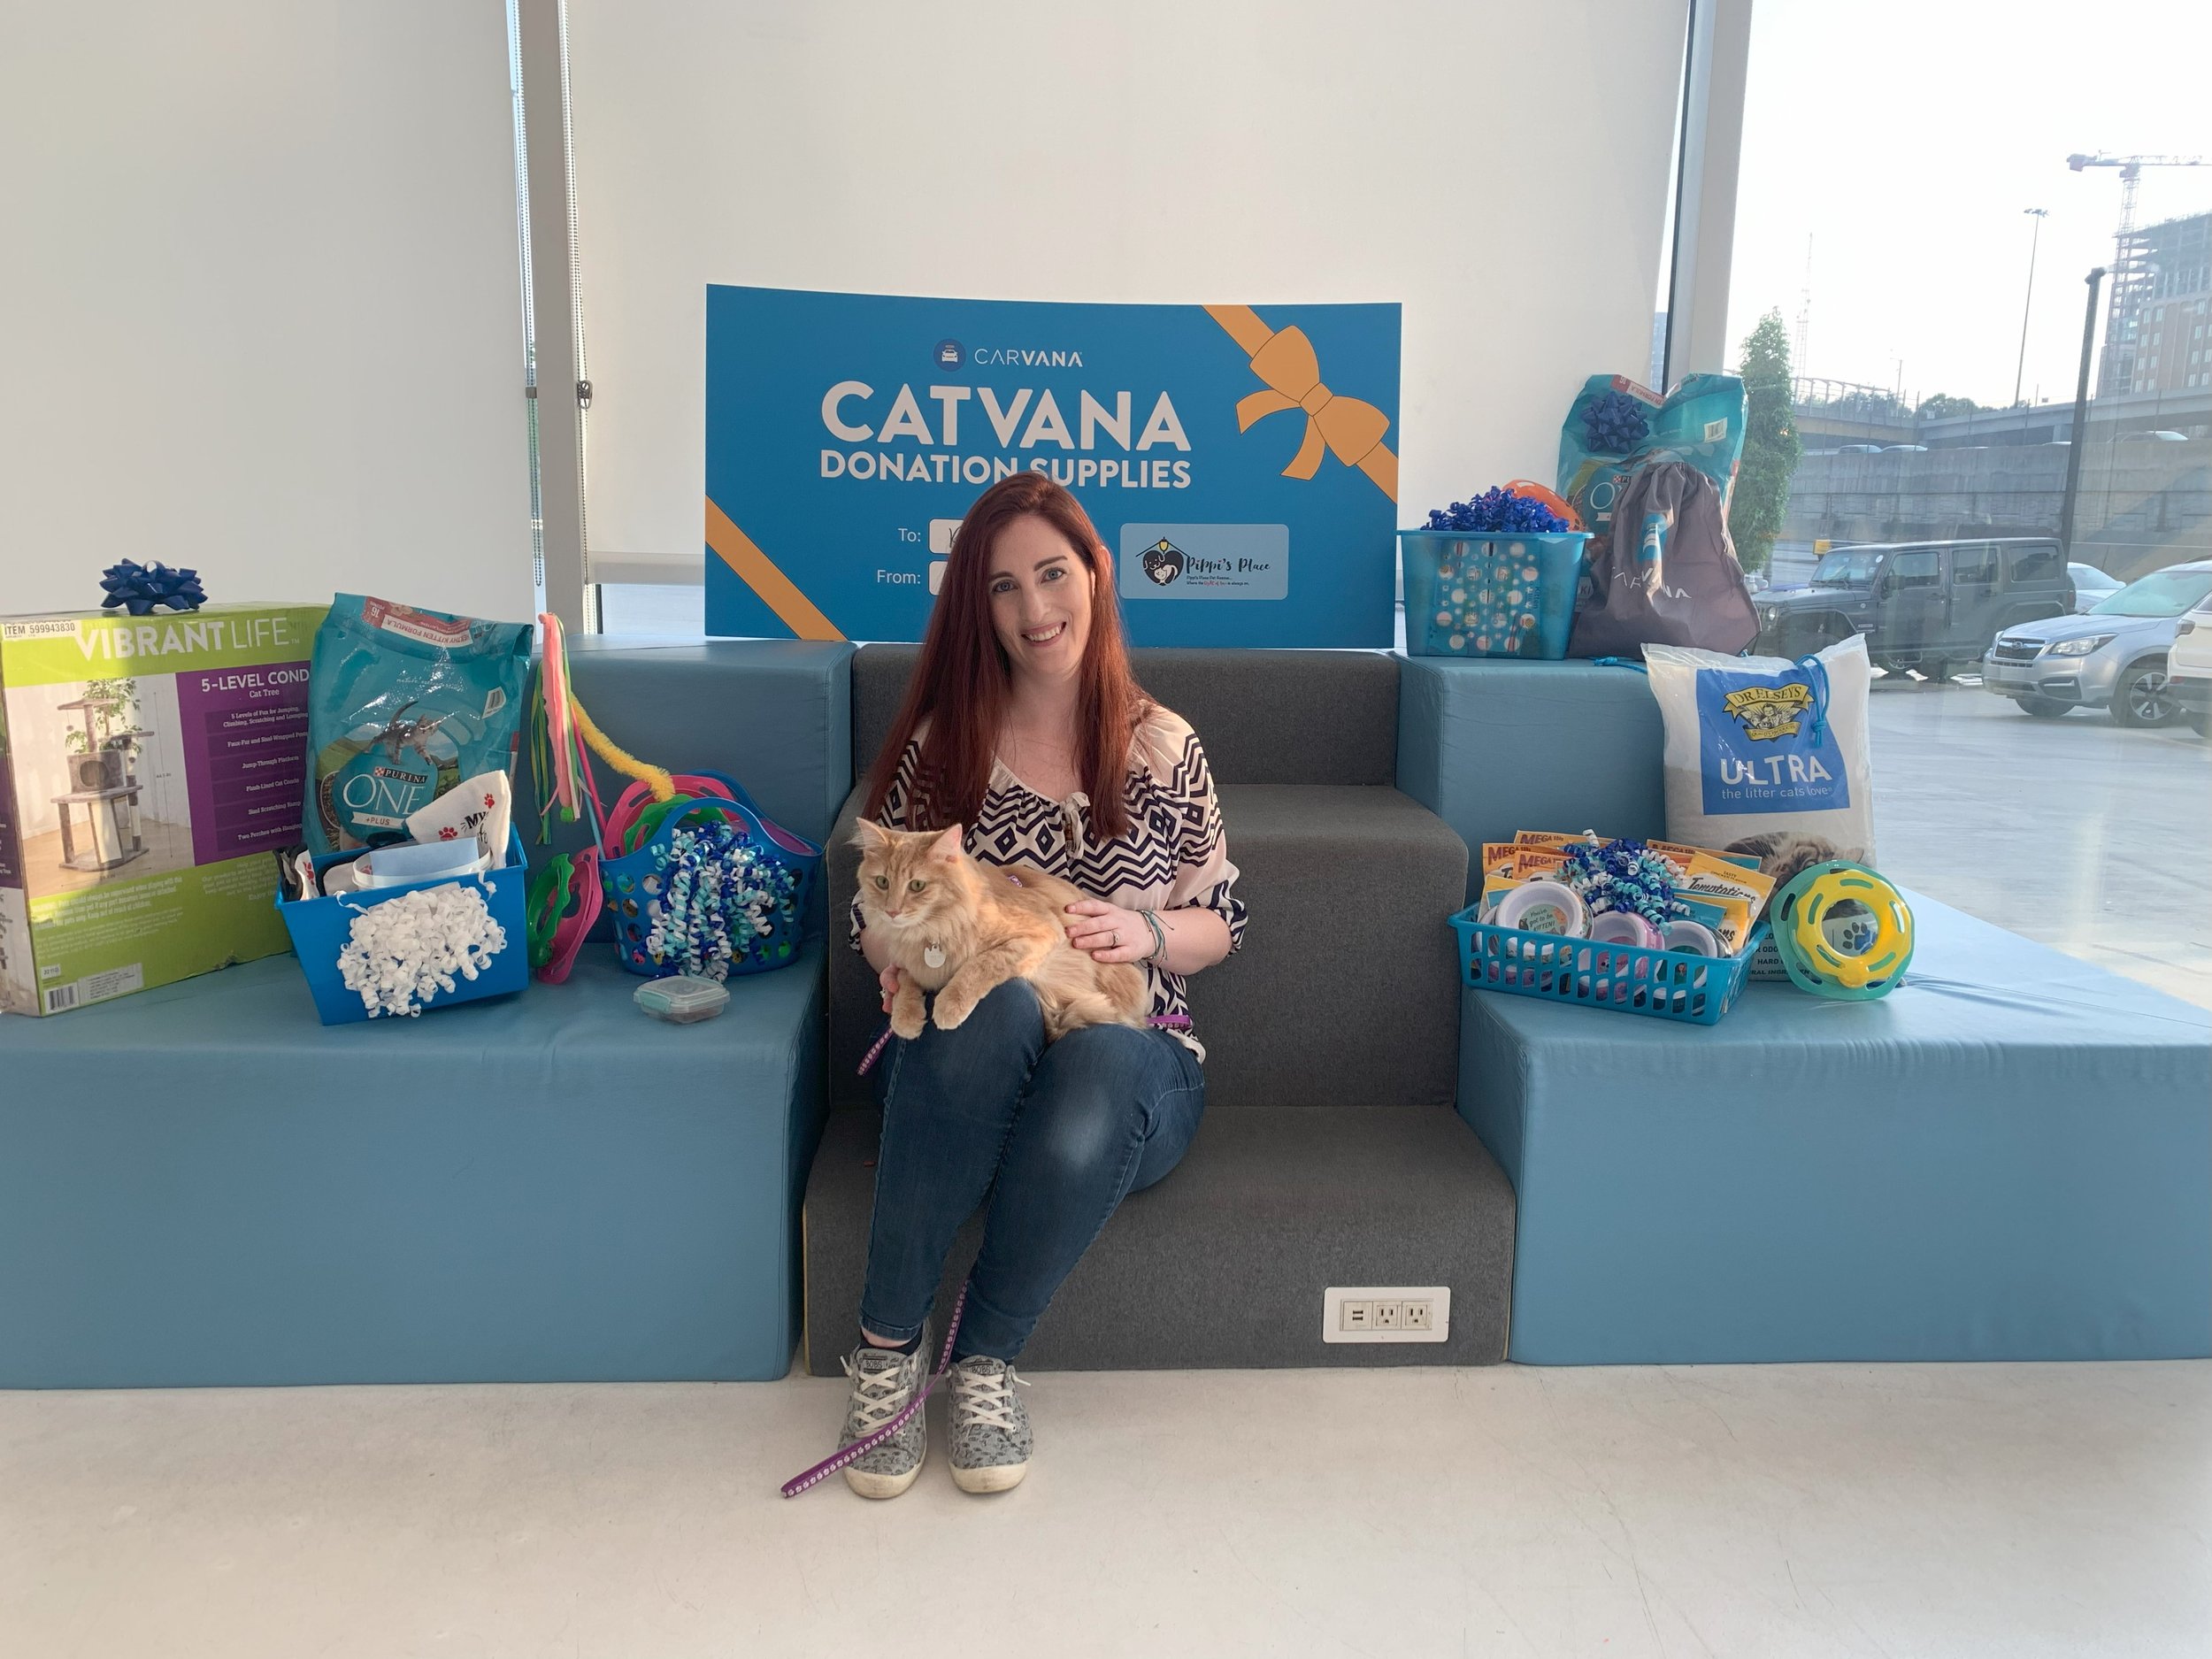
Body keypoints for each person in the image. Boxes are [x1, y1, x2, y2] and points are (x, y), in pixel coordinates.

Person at [836, 472, 1245, 1497]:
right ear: (977, 607)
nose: (1034, 610)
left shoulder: (1164, 747)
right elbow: (870, 922)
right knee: (999, 998)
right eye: (1004, 588)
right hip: (959, 1062)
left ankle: (983, 1362)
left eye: (1052, 576)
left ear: (1097, 577)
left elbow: (1222, 924)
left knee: (1105, 1055)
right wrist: (930, 939)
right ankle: (886, 1354)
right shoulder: (942, 748)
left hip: (1126, 1071)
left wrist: (1141, 928)